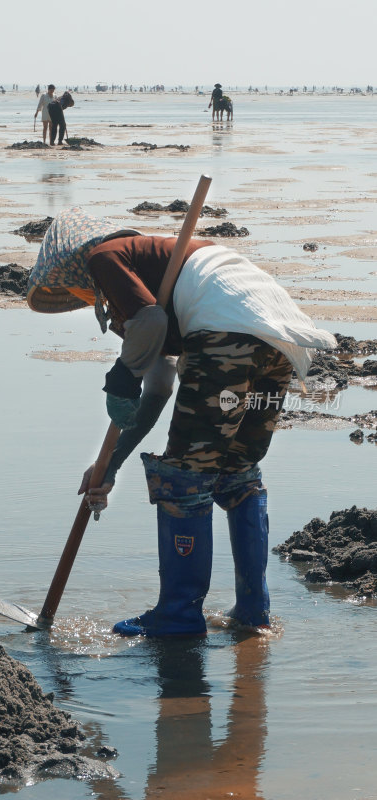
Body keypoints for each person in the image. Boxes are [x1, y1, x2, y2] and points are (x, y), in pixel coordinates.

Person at [26, 208, 337, 638]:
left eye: (80, 293)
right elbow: (158, 391)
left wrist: (120, 378)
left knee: (184, 479)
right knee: (237, 473)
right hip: (278, 341)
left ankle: (177, 615)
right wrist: (110, 465)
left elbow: (150, 324)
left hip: (227, 337)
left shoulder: (104, 256)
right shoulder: (157, 264)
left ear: (70, 266)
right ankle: (253, 612)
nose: (87, 299)